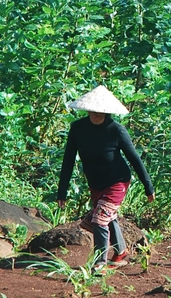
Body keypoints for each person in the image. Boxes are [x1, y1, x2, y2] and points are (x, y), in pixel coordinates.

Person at [56, 84, 155, 271]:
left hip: (117, 181)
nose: (96, 113)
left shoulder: (116, 130)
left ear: (107, 111)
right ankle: (121, 252)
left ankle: (99, 262)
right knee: (107, 218)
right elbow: (68, 160)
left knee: (100, 219)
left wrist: (148, 186)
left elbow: (134, 158)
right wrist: (62, 191)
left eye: (100, 111)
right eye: (92, 110)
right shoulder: (77, 128)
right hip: (96, 183)